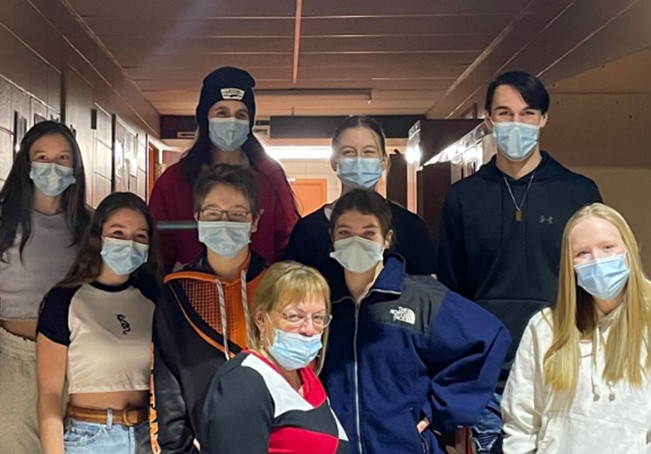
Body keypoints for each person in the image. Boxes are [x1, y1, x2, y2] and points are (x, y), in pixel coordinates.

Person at [437, 70, 603, 453]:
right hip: (489, 376)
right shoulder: (463, 198)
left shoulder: (578, 192)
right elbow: (452, 292)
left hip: (564, 368)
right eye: (505, 113)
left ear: (543, 118)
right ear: (489, 120)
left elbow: (594, 284)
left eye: (528, 113)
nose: (517, 123)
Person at [502, 203, 651, 452]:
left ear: (629, 250)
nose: (597, 260)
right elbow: (521, 424)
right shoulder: (545, 328)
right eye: (582, 253)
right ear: (570, 265)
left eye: (607, 247)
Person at [321, 189, 510, 454]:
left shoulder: (420, 298)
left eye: (368, 233)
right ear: (332, 238)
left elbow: (490, 337)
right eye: (344, 233)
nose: (356, 241)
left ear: (386, 239)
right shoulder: (322, 301)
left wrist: (440, 408)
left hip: (404, 445)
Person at [0, 121, 90, 453]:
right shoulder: (3, 218)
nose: (52, 167)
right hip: (16, 362)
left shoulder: (88, 224)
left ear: (75, 166)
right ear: (27, 164)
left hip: (77, 360)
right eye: (41, 157)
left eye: (62, 158)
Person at [150, 164, 268, 453]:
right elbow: (169, 388)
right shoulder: (177, 292)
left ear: (254, 221)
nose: (224, 222)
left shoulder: (277, 285)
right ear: (198, 219)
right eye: (213, 214)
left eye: (237, 213)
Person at [36, 192, 161, 453]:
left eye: (140, 236)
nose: (129, 243)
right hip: (89, 438)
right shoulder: (64, 300)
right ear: (98, 237)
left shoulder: (154, 299)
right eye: (118, 233)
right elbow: (49, 395)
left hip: (147, 437)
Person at [149, 66, 299, 271]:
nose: (231, 121)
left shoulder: (270, 177)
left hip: (259, 291)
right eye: (222, 113)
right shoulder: (173, 182)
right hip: (191, 291)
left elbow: (288, 242)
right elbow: (158, 249)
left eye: (241, 114)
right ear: (205, 118)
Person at [200, 261, 349, 453]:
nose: (309, 330)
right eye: (295, 316)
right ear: (262, 319)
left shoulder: (306, 377)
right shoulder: (243, 382)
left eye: (318, 318)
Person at [285, 115, 437, 276]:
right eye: (348, 152)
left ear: (384, 161)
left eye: (368, 152)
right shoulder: (307, 231)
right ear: (334, 161)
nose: (358, 160)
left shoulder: (410, 227)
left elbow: (428, 290)